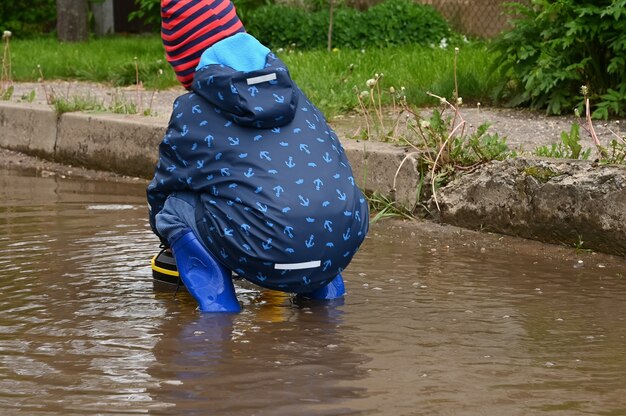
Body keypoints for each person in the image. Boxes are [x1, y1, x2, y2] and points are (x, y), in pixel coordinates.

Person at [147, 0, 369, 312]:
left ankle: (218, 311)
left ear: (185, 63)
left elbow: (165, 185)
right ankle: (325, 302)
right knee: (314, 196)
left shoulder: (191, 110)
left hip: (269, 249)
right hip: (339, 243)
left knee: (173, 207)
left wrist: (165, 234)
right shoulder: (295, 97)